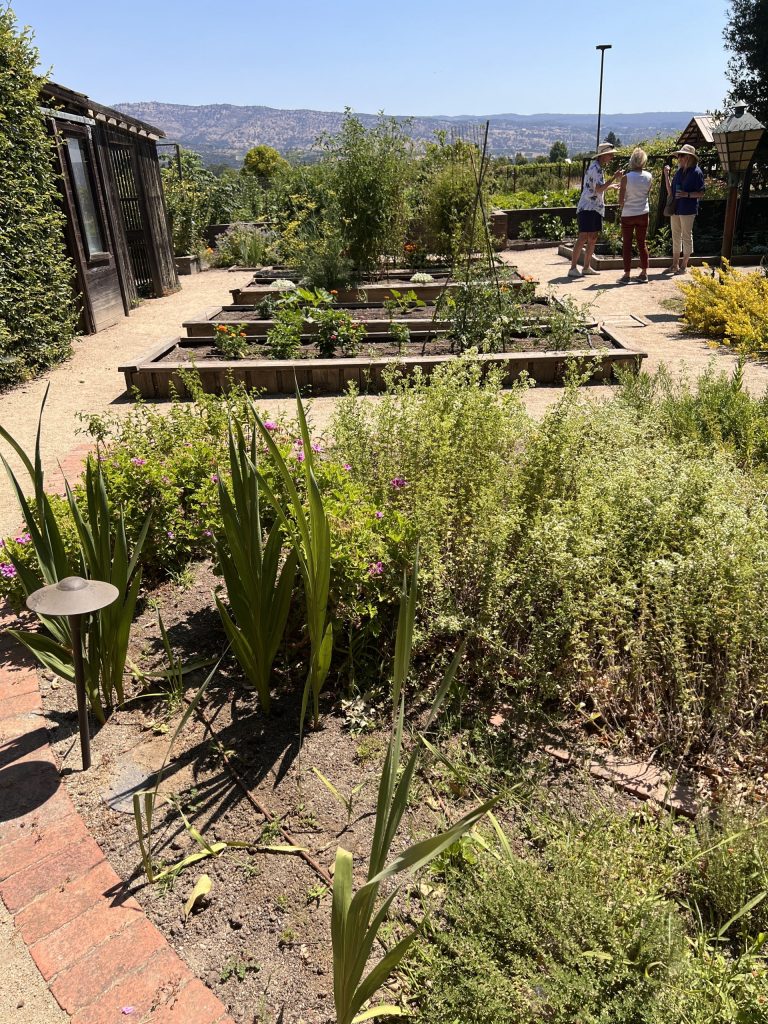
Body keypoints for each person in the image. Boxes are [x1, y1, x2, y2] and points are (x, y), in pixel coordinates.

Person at [569, 142, 622, 278]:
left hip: (594, 207)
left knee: (592, 237)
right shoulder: (596, 168)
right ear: (604, 155)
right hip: (588, 207)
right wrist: (613, 179)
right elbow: (598, 189)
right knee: (583, 237)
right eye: (610, 155)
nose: (612, 157)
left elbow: (595, 188)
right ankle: (573, 268)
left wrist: (610, 186)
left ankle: (586, 267)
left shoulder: (597, 167)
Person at [663, 144, 705, 274]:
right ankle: (675, 264)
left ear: (688, 157)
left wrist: (687, 195)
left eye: (681, 156)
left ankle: (684, 266)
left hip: (688, 209)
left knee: (686, 236)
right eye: (678, 156)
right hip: (676, 207)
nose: (678, 158)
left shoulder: (696, 172)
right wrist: (666, 175)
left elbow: (702, 192)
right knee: (675, 235)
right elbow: (671, 192)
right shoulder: (680, 171)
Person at [617, 147, 653, 283]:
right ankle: (644, 273)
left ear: (632, 161)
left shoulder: (626, 178)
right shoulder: (649, 176)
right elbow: (647, 192)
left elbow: (621, 201)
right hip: (643, 212)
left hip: (628, 214)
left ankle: (627, 275)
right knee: (642, 243)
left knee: (627, 244)